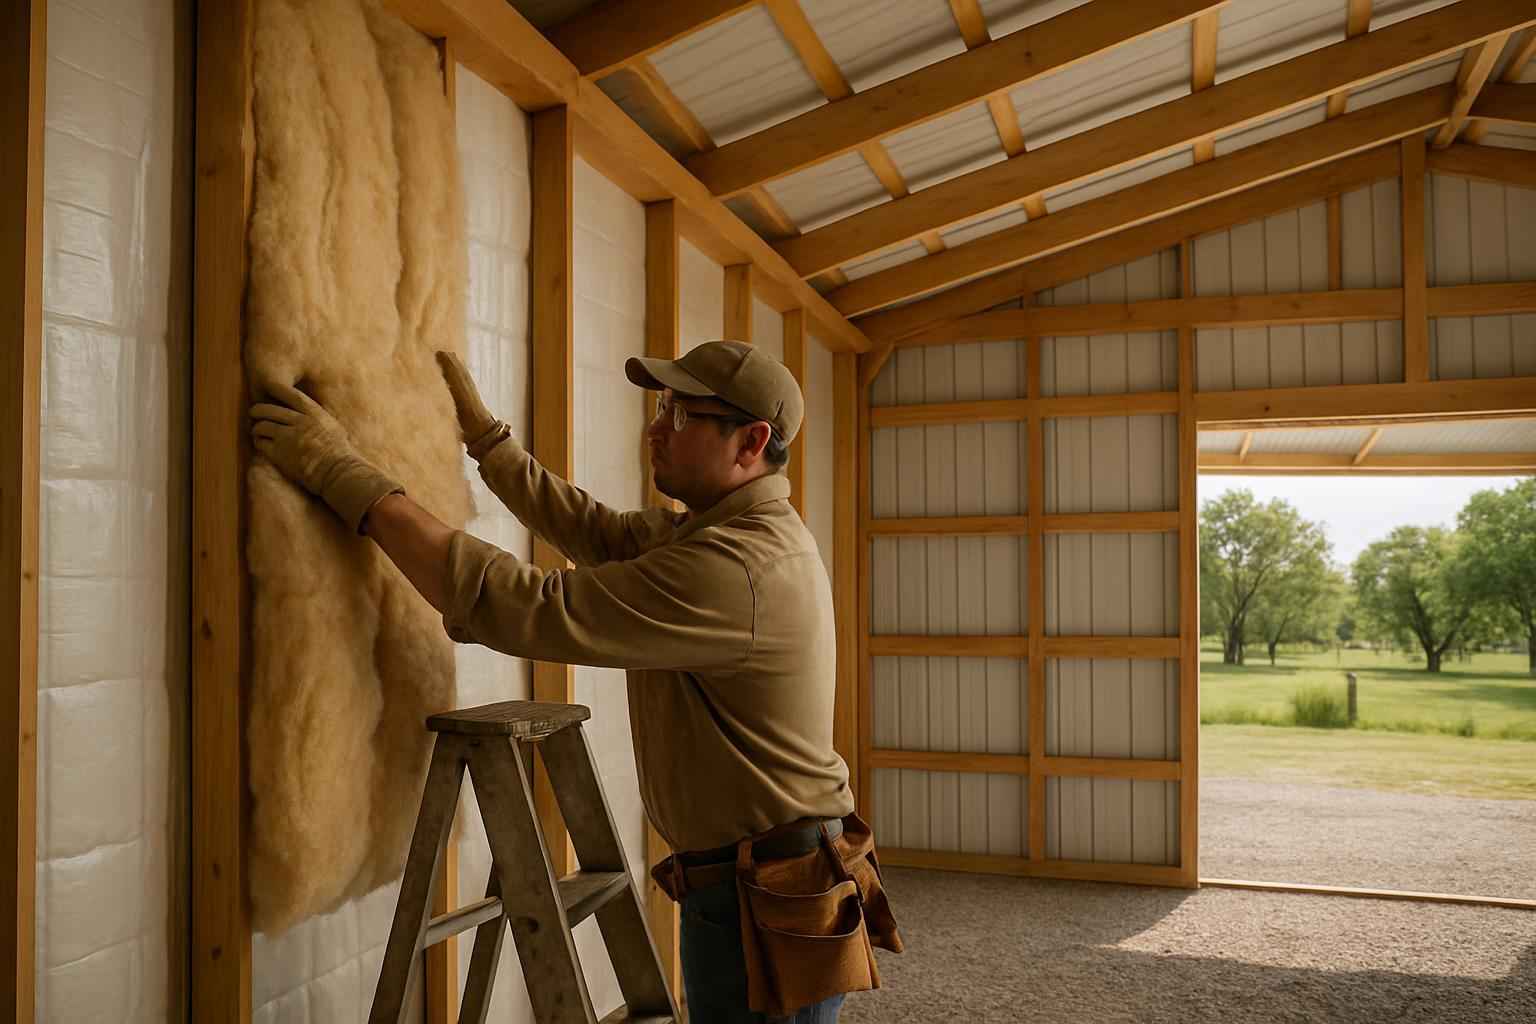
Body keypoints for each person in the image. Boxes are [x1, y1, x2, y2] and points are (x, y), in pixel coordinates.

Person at [249, 339, 897, 1022]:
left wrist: (345, 477)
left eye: (680, 415)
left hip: (768, 893)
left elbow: (528, 606)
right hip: (752, 878)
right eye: (662, 406)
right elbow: (599, 533)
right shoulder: (719, 530)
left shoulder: (738, 568)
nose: (656, 429)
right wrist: (488, 441)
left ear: (751, 441)